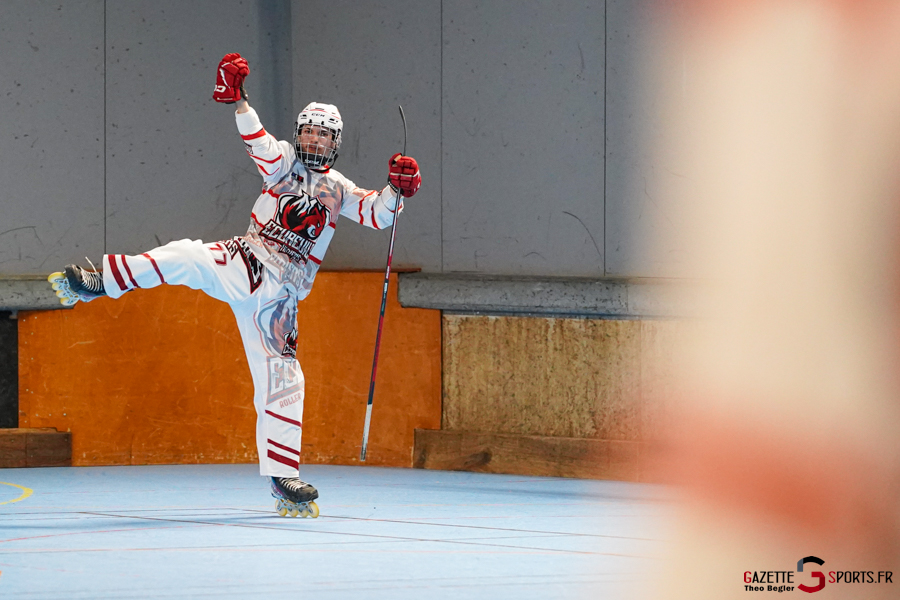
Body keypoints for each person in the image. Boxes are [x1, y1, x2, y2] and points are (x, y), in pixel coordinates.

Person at [47, 52, 422, 518]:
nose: (313, 139)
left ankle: (284, 477)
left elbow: (378, 213)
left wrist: (397, 189)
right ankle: (101, 281)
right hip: (245, 259)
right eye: (307, 129)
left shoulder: (340, 189)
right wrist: (238, 100)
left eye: (323, 134)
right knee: (183, 255)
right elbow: (259, 142)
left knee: (285, 380)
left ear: (336, 142)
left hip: (280, 300)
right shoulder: (283, 162)